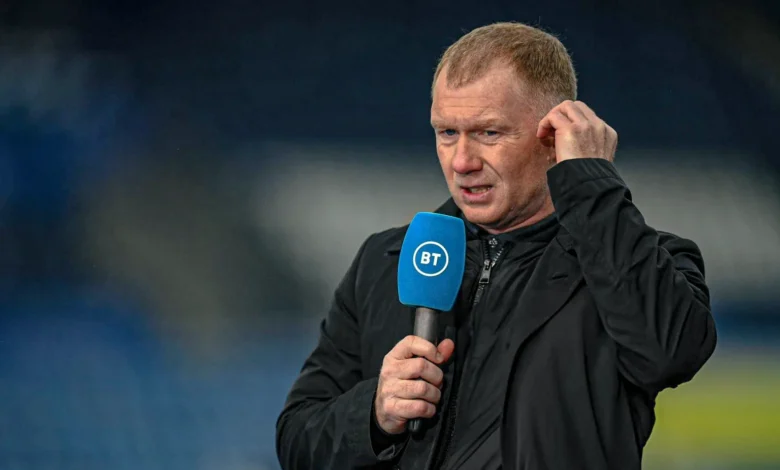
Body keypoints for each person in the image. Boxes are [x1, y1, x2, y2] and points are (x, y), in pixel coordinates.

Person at [275, 21, 717, 470]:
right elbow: (296, 440)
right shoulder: (386, 260)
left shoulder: (640, 259)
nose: (462, 162)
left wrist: (592, 183)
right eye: (447, 133)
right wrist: (373, 414)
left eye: (489, 133)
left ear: (554, 137)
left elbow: (670, 355)